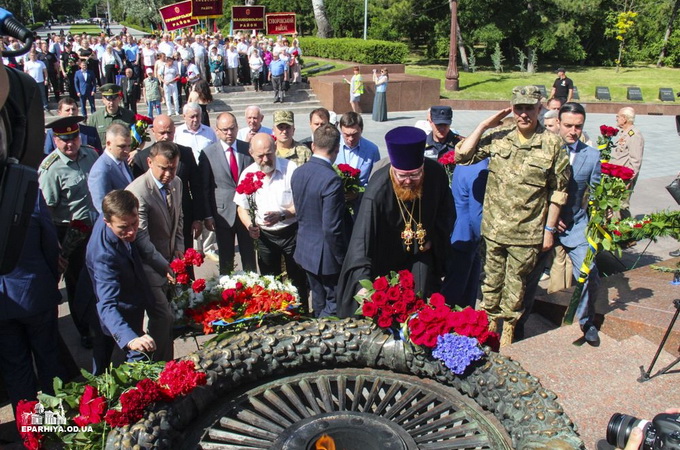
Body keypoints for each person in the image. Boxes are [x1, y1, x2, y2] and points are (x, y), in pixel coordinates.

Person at [455, 85, 571, 347]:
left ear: (539, 109)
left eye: (529, 108)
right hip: (494, 230)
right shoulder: (499, 135)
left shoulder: (552, 144)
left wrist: (549, 230)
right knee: (490, 285)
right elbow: (462, 156)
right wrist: (484, 124)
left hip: (527, 233)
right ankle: (485, 334)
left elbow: (558, 191)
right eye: (518, 108)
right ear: (512, 108)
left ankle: (508, 335)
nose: (523, 114)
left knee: (516, 289)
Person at [336, 126, 454, 318]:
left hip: (420, 253)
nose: (408, 181)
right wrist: (362, 283)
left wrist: (434, 239)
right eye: (402, 176)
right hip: (385, 258)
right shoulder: (378, 189)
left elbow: (447, 214)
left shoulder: (435, 175)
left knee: (422, 302)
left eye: (415, 175)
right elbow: (361, 241)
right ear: (393, 170)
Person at [520, 102, 601, 344]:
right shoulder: (541, 150)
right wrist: (550, 219)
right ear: (558, 124)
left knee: (590, 274)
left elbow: (596, 192)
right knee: (528, 277)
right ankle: (518, 324)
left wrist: (604, 212)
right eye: (568, 126)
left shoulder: (592, 155)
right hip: (542, 226)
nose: (573, 131)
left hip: (575, 226)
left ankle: (586, 322)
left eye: (578, 126)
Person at [39, 115, 100, 349]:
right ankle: (85, 329)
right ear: (55, 140)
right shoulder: (50, 169)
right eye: (64, 140)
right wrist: (57, 247)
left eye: (73, 138)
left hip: (95, 227)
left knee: (99, 278)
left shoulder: (91, 154)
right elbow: (46, 211)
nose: (70, 144)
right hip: (70, 233)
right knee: (78, 284)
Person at [0, 192, 64, 411]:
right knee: (48, 359)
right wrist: (50, 279)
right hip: (35, 293)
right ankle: (55, 419)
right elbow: (49, 243)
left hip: (5, 302)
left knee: (16, 368)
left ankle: (29, 430)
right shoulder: (27, 191)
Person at [126, 141, 183, 362]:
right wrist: (165, 266)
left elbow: (179, 220)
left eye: (173, 168)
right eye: (163, 168)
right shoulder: (138, 191)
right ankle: (156, 366)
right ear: (150, 162)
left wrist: (179, 249)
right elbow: (142, 240)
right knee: (161, 317)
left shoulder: (176, 183)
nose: (169, 173)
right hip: (149, 266)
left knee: (167, 320)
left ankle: (167, 362)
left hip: (168, 261)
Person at [86, 190, 157, 364]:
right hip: (113, 313)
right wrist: (130, 339)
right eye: (124, 228)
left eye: (134, 223)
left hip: (130, 298)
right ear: (107, 222)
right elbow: (107, 305)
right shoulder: (103, 255)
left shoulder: (116, 215)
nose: (132, 232)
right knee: (106, 364)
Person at [234, 133, 308, 299]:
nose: (266, 159)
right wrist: (249, 226)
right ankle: (275, 318)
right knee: (270, 280)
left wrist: (283, 214)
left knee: (297, 278)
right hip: (264, 236)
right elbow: (241, 208)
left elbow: (302, 203)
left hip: (291, 232)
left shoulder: (290, 169)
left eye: (269, 153)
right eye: (260, 156)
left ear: (275, 149)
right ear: (251, 153)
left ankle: (302, 314)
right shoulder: (248, 174)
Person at [292, 124, 347, 317]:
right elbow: (332, 227)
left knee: (317, 299)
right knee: (333, 304)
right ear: (337, 149)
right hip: (327, 256)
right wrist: (342, 258)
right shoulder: (331, 180)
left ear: (313, 146)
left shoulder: (298, 172)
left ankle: (316, 333)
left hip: (306, 250)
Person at [131, 114, 204, 255]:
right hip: (155, 225)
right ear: (153, 132)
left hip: (182, 219)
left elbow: (196, 187)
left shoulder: (186, 153)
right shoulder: (141, 158)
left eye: (169, 132)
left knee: (184, 261)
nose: (165, 136)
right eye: (161, 133)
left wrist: (198, 218)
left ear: (174, 130)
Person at [199, 112, 256, 274]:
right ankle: (227, 293)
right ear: (217, 131)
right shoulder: (208, 154)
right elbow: (205, 188)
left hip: (245, 212)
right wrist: (208, 215)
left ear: (238, 128)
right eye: (224, 130)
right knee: (226, 260)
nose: (229, 133)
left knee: (249, 257)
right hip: (222, 213)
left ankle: (253, 291)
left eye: (232, 129)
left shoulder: (247, 149)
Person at [441, 156, 488, 309]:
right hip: (468, 234)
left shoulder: (466, 163)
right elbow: (477, 215)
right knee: (459, 289)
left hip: (459, 230)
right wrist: (484, 240)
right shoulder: (480, 170)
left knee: (462, 285)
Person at [88, 123, 134, 214]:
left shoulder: (122, 160)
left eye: (129, 145)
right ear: (109, 144)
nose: (127, 150)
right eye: (122, 146)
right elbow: (102, 208)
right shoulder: (101, 171)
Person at [611, 106, 645, 220]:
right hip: (617, 176)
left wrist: (629, 180)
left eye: (618, 116)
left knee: (622, 206)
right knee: (615, 205)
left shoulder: (634, 135)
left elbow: (635, 160)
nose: (616, 118)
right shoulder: (624, 133)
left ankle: (625, 230)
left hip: (624, 178)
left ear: (624, 118)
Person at [336, 112, 381, 187]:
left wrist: (359, 193)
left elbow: (375, 182)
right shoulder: (332, 145)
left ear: (361, 130)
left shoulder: (372, 150)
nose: (350, 139)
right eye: (346, 135)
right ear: (341, 130)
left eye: (354, 134)